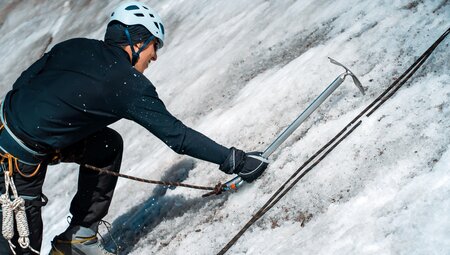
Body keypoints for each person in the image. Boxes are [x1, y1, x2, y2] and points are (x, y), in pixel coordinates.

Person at [0, 1, 268, 255]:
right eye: (154, 45)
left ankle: (79, 238)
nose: (155, 56)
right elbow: (178, 136)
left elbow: (24, 84)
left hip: (16, 134)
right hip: (15, 163)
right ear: (136, 42)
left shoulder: (74, 46)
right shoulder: (126, 84)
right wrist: (235, 161)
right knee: (19, 249)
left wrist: (49, 135)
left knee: (106, 146)